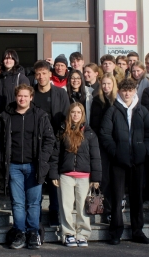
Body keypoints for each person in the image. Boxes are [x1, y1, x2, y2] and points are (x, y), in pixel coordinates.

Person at [0, 84, 56, 250]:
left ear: (31, 97)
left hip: (34, 165)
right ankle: (20, 232)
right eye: (20, 96)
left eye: (26, 96)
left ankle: (33, 232)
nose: (22, 99)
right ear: (15, 96)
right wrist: (1, 160)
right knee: (18, 202)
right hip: (13, 166)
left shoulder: (40, 115)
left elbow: (50, 139)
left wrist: (43, 160)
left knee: (34, 203)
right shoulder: (6, 115)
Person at [101, 78, 149, 245]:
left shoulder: (142, 111)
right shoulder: (112, 111)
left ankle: (137, 231)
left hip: (138, 161)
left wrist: (144, 150)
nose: (127, 93)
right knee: (117, 198)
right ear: (119, 92)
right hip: (119, 161)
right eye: (124, 90)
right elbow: (105, 134)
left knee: (137, 198)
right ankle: (115, 231)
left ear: (134, 92)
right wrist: (116, 152)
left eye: (130, 90)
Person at [49, 102, 102, 248]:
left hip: (84, 176)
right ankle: (68, 234)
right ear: (69, 114)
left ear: (82, 114)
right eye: (73, 112)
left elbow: (95, 157)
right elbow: (55, 155)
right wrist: (53, 174)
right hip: (66, 175)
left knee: (82, 208)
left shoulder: (90, 134)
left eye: (79, 112)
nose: (76, 115)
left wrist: (96, 178)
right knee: (66, 206)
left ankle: (83, 234)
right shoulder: (62, 131)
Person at [32, 60, 70, 226]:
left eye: (44, 73)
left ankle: (54, 213)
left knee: (54, 179)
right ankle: (36, 213)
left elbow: (66, 117)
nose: (41, 77)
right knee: (36, 178)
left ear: (50, 75)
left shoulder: (60, 93)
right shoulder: (31, 93)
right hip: (34, 142)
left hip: (55, 141)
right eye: (38, 74)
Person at [90, 73, 118, 220]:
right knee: (102, 178)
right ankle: (99, 209)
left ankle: (113, 210)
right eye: (104, 84)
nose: (106, 87)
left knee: (115, 179)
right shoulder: (97, 101)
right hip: (101, 144)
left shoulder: (117, 101)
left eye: (109, 84)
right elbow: (94, 124)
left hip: (116, 144)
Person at [0, 49, 30, 116]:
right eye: (6, 58)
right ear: (3, 60)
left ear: (15, 60)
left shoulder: (21, 78)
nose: (8, 61)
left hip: (15, 117)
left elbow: (28, 100)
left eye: (11, 58)